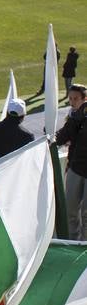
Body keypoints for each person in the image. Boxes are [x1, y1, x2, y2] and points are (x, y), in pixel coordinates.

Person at [55, 99, 87, 240]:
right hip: (77, 168)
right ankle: (73, 244)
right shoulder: (84, 110)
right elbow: (63, 136)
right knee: (70, 211)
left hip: (79, 168)